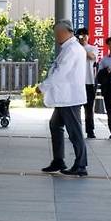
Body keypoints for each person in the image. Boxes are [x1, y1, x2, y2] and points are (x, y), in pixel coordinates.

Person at [37, 20, 88, 177]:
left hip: (70, 98)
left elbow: (61, 73)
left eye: (56, 34)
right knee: (55, 125)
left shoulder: (72, 49)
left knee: (75, 132)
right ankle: (58, 160)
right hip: (65, 98)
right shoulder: (69, 48)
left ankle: (81, 165)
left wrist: (43, 87)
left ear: (65, 32)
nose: (55, 37)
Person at [75, 28, 99, 138]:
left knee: (89, 109)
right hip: (76, 83)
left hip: (89, 82)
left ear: (88, 36)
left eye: (85, 35)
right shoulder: (74, 49)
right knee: (76, 109)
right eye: (81, 36)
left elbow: (92, 57)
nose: (83, 37)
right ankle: (76, 131)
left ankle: (90, 131)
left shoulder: (93, 48)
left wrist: (81, 49)